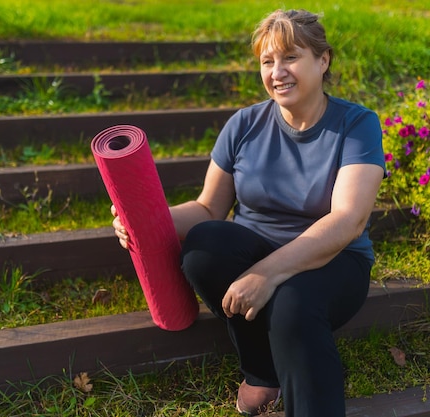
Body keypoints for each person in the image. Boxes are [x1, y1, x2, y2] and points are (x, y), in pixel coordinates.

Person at [111, 8, 386, 417]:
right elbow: (208, 208)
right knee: (204, 247)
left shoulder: (356, 124)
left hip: (333, 261)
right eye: (267, 61)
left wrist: (266, 274)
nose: (278, 72)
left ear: (323, 60)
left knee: (292, 303)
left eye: (290, 57)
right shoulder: (244, 125)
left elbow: (349, 220)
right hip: (256, 251)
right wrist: (145, 222)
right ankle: (263, 372)